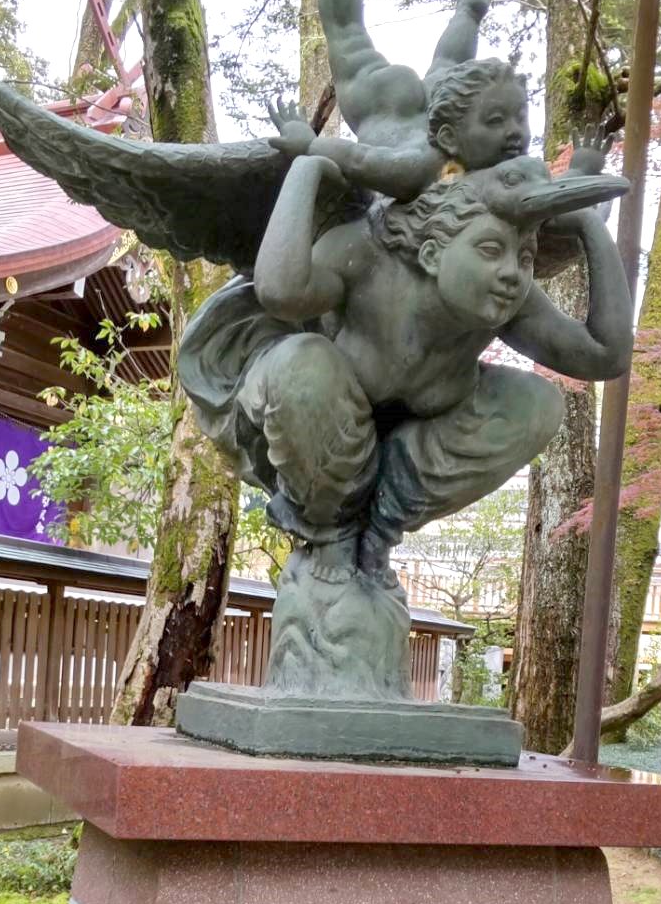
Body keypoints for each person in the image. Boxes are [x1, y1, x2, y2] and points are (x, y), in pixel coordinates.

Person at [179, 153, 632, 584]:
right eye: (491, 249)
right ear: (433, 253)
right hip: (298, 416)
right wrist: (308, 166)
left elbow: (604, 355)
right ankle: (328, 531)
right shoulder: (368, 255)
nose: (513, 273)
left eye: (526, 257)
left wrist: (590, 226)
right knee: (304, 366)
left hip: (393, 458)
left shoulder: (506, 303)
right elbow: (279, 292)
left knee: (536, 403)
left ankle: (379, 528)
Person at [266, 0, 526, 201]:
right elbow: (357, 159)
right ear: (450, 140)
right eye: (499, 121)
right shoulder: (425, 166)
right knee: (369, 44)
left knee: (370, 42)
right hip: (390, 110)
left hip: (422, 111)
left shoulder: (485, 165)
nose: (515, 132)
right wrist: (307, 144)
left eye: (521, 118)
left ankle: (469, 11)